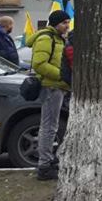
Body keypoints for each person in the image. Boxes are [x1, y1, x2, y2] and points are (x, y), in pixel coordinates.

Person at [28, 10, 71, 181]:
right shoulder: (47, 38)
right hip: (51, 87)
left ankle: (48, 160)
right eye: (64, 23)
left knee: (52, 126)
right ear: (55, 24)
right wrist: (61, 75)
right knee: (48, 127)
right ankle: (44, 165)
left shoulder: (58, 38)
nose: (67, 26)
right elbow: (39, 64)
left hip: (57, 87)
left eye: (68, 22)